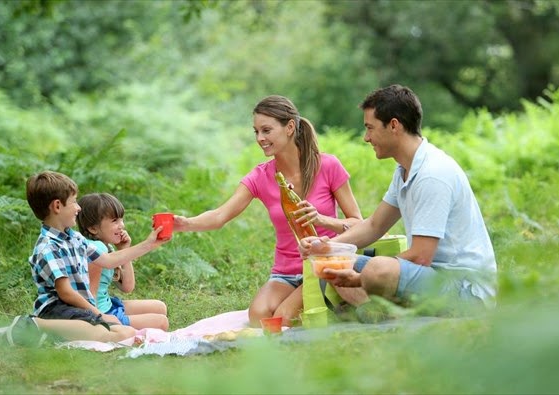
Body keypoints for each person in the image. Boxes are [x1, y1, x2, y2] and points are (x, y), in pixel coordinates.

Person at [299, 84, 497, 316]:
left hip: (463, 291)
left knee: (377, 269)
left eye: (370, 128)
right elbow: (374, 225)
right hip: (427, 278)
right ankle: (387, 310)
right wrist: (327, 248)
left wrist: (363, 277)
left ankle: (384, 308)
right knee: (338, 264)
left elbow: (421, 256)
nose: (366, 137)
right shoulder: (404, 169)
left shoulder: (432, 174)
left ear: (394, 125)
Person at [174, 95, 363, 327]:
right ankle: (323, 306)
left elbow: (358, 223)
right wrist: (185, 223)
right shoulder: (261, 176)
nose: (260, 138)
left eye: (266, 130)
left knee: (282, 317)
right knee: (259, 316)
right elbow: (221, 215)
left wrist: (321, 219)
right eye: (256, 132)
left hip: (323, 263)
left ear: (290, 127)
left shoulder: (328, 166)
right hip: (286, 272)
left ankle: (335, 303)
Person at [22, 170, 169, 344]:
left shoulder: (75, 238)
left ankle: (55, 332)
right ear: (57, 206)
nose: (78, 208)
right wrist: (99, 314)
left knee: (126, 332)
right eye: (74, 202)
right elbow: (66, 292)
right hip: (58, 310)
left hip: (78, 308)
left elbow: (108, 261)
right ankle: (36, 325)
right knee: (124, 334)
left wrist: (149, 244)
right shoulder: (48, 246)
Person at [76, 193, 169, 331]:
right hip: (100, 313)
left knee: (160, 307)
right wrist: (104, 322)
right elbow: (90, 296)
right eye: (114, 221)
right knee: (162, 322)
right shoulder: (96, 249)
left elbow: (127, 287)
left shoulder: (106, 247)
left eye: (121, 219)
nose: (122, 225)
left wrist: (124, 249)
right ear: (93, 228)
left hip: (108, 304)